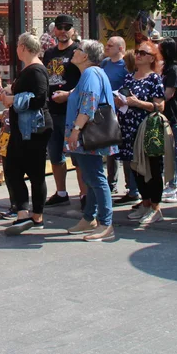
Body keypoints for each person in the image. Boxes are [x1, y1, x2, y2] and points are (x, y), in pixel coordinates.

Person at [64, 39, 119, 241]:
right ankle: (89, 218)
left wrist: (76, 130)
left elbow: (89, 102)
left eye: (77, 50)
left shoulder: (89, 73)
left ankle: (106, 223)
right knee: (90, 177)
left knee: (96, 178)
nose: (74, 52)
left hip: (87, 136)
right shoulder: (93, 73)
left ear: (85, 55)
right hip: (88, 136)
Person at [2, 32, 51, 235]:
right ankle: (22, 212)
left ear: (23, 47)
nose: (16, 50)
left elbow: (40, 99)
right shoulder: (28, 70)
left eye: (17, 46)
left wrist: (13, 100)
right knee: (12, 169)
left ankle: (37, 215)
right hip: (21, 129)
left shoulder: (36, 70)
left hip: (34, 129)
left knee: (35, 173)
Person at [115, 41, 167, 226]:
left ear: (152, 58)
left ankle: (155, 207)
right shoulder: (129, 77)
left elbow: (160, 106)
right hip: (129, 127)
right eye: (137, 52)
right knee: (135, 167)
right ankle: (144, 203)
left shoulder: (154, 78)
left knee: (152, 169)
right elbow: (123, 97)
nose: (138, 55)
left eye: (143, 53)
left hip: (146, 128)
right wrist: (121, 102)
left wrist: (138, 103)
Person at [43, 15, 81, 206]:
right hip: (52, 111)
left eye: (67, 27)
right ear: (54, 30)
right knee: (56, 155)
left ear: (73, 30)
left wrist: (68, 95)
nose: (63, 30)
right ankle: (61, 192)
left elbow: (86, 81)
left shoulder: (78, 52)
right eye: (60, 27)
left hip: (72, 113)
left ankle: (84, 195)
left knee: (78, 156)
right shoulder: (49, 54)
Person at [102, 37, 137, 200]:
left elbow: (129, 87)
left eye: (110, 45)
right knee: (111, 150)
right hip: (108, 111)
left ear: (121, 48)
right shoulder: (105, 63)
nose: (106, 47)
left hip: (123, 112)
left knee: (125, 150)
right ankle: (111, 183)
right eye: (107, 45)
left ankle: (131, 187)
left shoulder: (126, 66)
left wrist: (121, 99)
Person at [159, 39, 177, 202]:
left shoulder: (174, 69)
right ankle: (172, 184)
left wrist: (153, 98)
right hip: (169, 115)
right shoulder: (169, 67)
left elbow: (169, 94)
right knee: (169, 153)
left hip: (176, 115)